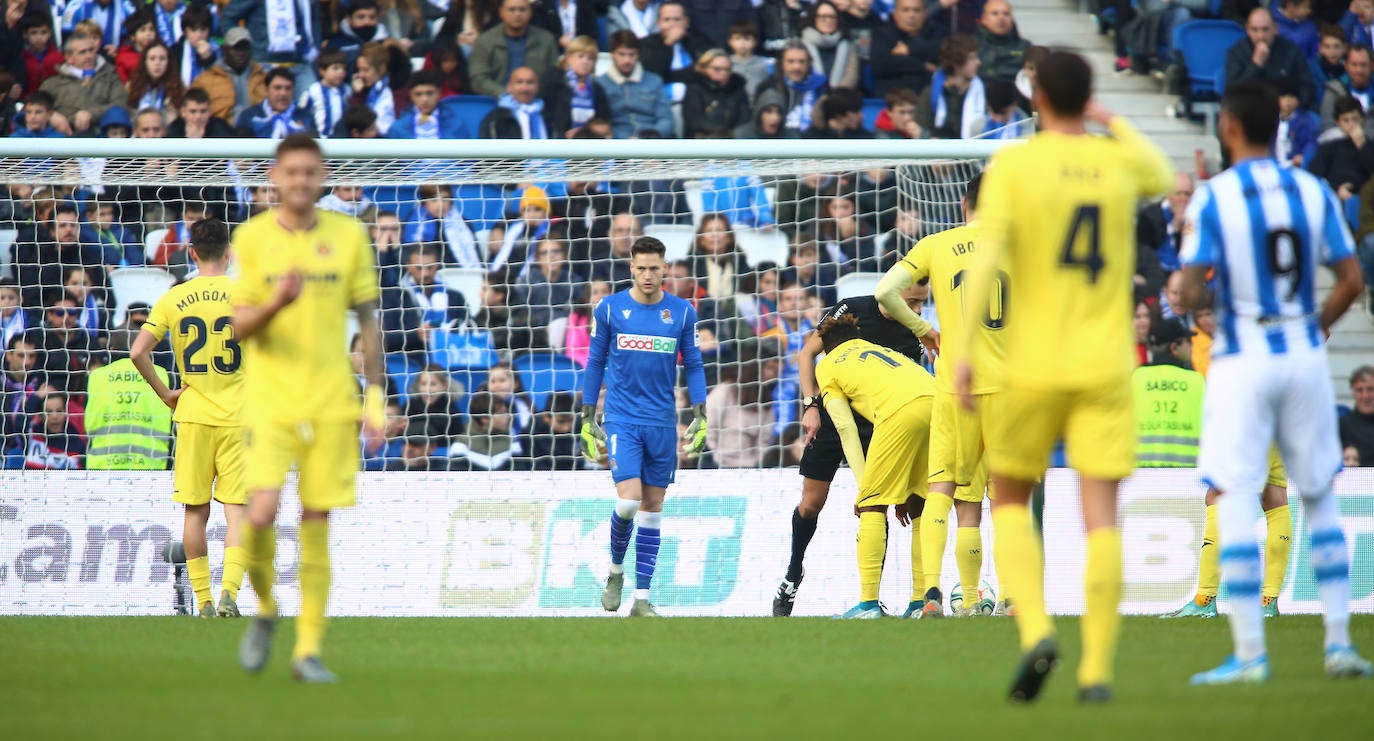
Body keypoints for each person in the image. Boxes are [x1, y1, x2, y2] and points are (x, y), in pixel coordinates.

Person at [959, 51, 1174, 703]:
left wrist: (965, 351)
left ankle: (1036, 632)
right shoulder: (1115, 162)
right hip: (1107, 362)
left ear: (1037, 99)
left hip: (1032, 362)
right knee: (1102, 514)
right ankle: (1097, 671)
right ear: (1088, 97)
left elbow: (986, 258)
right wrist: (1106, 118)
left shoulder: (1016, 164)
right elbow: (1162, 174)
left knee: (1011, 497)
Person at [1177, 80, 1372, 684]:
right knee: (1314, 494)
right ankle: (1339, 644)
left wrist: (1187, 292)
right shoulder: (1312, 190)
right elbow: (1351, 280)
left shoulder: (1216, 196)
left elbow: (1187, 291)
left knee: (1234, 494)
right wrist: (1312, 329)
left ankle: (1250, 654)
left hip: (1241, 355)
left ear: (1229, 126)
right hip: (1302, 353)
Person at [231, 134, 387, 683]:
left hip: (330, 404)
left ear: (322, 177)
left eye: (310, 173)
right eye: (291, 172)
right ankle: (268, 609)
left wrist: (375, 398)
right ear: (274, 176)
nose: (300, 181)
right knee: (259, 515)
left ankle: (308, 650)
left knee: (317, 517)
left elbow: (369, 319)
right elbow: (238, 326)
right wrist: (277, 301)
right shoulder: (251, 239)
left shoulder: (348, 236)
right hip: (270, 401)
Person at [876, 172, 1003, 619]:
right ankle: (1004, 598)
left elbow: (885, 292)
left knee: (942, 488)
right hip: (1008, 387)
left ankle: (930, 593)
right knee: (1002, 496)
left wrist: (924, 329)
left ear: (964, 204)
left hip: (955, 385)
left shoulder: (936, 243)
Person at [771, 281, 932, 616]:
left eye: (922, 304)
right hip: (834, 410)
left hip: (881, 419)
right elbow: (807, 352)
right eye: (913, 302)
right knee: (812, 502)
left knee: (883, 503)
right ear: (894, 293)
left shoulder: (912, 333)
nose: (917, 311)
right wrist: (810, 404)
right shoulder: (853, 308)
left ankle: (873, 597)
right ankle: (793, 573)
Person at [580, 236, 709, 617]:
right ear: (631, 269)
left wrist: (701, 413)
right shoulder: (609, 308)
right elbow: (594, 362)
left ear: (665, 268)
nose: (648, 275)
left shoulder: (682, 312)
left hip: (662, 422)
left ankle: (641, 599)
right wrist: (588, 414)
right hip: (622, 418)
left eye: (655, 268)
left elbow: (696, 365)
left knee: (653, 508)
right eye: (641, 268)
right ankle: (615, 571)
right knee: (628, 501)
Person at [127, 216, 247, 619]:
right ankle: (230, 592)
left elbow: (137, 351)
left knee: (196, 511)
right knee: (238, 511)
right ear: (228, 253)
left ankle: (204, 601)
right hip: (240, 415)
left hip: (193, 414)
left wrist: (166, 394)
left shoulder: (175, 297)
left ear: (192, 252)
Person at [812, 311, 935, 618]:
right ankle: (921, 602)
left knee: (872, 506)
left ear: (825, 348)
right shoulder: (879, 351)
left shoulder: (827, 365)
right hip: (939, 402)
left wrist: (865, 487)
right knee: (920, 503)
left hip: (900, 411)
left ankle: (868, 604)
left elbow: (845, 428)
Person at [1225, 8, 1318, 111]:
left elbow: (1308, 84)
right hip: (1250, 111)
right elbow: (1232, 91)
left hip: (1288, 111)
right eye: (1255, 30)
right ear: (1247, 30)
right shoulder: (1237, 52)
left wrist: (1296, 101)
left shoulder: (1291, 50)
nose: (1260, 36)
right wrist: (1256, 64)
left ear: (1275, 28)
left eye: (1265, 29)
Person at [39, 29, 127, 134]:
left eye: (91, 50)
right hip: (63, 139)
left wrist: (90, 114)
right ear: (69, 57)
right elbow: (32, 109)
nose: (89, 56)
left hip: (100, 138)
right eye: (83, 52)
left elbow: (120, 105)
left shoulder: (110, 76)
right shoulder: (52, 83)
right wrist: (51, 115)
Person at [469, 0, 560, 98]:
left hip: (537, 100)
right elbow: (478, 79)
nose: (517, 14)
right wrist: (503, 93)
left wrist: (531, 92)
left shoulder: (546, 39)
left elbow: (554, 75)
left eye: (522, 10)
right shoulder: (485, 41)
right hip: (496, 100)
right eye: (511, 10)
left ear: (530, 13)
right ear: (501, 13)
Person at [597, 30, 676, 138]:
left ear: (638, 55)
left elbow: (666, 118)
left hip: (653, 142)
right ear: (612, 55)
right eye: (622, 54)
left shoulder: (654, 81)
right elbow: (602, 124)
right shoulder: (600, 84)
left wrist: (656, 133)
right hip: (616, 145)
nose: (627, 60)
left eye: (631, 55)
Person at [639, 0, 712, 103]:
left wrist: (670, 76)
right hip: (659, 103)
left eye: (677, 19)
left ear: (687, 22)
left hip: (695, 103)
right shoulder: (647, 44)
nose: (672, 24)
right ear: (659, 23)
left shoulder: (699, 42)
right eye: (667, 20)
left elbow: (703, 72)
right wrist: (669, 43)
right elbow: (653, 75)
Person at [916, 35, 985, 140]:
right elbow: (922, 127)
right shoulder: (930, 93)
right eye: (972, 58)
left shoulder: (982, 92)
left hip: (973, 153)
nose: (978, 63)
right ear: (956, 62)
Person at [190, 27, 266, 123]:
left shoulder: (263, 77)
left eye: (244, 48)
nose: (241, 53)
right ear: (225, 49)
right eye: (236, 48)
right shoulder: (206, 79)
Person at [542, 35, 610, 138]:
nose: (585, 61)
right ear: (569, 57)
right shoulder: (554, 81)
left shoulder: (597, 89)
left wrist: (583, 133)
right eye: (580, 56)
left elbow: (603, 121)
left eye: (590, 58)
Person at [754, 40, 828, 135]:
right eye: (791, 61)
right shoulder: (768, 86)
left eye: (802, 62)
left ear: (809, 63)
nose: (796, 67)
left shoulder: (821, 86)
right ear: (782, 63)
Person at [871, 0, 941, 97]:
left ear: (925, 14)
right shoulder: (882, 34)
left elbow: (940, 52)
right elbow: (881, 65)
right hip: (892, 93)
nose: (911, 15)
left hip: (927, 92)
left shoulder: (937, 32)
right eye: (905, 10)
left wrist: (910, 50)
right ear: (895, 14)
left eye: (917, 10)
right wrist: (923, 65)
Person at [682, 49, 751, 137]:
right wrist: (720, 132)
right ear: (703, 68)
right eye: (717, 69)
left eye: (727, 70)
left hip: (733, 138)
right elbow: (694, 120)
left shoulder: (737, 87)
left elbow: (745, 117)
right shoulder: (694, 88)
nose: (724, 73)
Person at [236, 67, 316, 138]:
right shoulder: (249, 116)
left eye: (288, 88)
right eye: (277, 88)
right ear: (266, 90)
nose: (283, 93)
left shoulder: (306, 117)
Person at [478, 65, 550, 139]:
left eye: (530, 82)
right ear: (509, 87)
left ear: (537, 87)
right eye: (519, 82)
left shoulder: (550, 113)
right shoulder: (494, 119)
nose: (524, 88)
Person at [800, 1, 859, 90]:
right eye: (823, 17)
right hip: (808, 94)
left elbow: (851, 76)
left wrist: (834, 96)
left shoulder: (849, 46)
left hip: (841, 97)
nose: (828, 21)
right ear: (814, 18)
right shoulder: (801, 45)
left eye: (832, 17)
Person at [302, 49, 350, 138]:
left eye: (344, 68)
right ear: (322, 71)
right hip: (321, 138)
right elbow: (302, 112)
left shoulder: (347, 90)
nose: (341, 72)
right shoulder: (313, 90)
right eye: (336, 68)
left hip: (342, 139)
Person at [166, 86, 237, 137]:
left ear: (210, 112)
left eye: (203, 111)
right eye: (193, 111)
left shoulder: (220, 127)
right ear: (183, 112)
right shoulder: (174, 130)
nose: (198, 116)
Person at [1341, 365, 1374, 461]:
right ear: (1353, 393)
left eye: (1370, 389)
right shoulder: (1342, 425)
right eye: (1360, 390)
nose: (1365, 396)